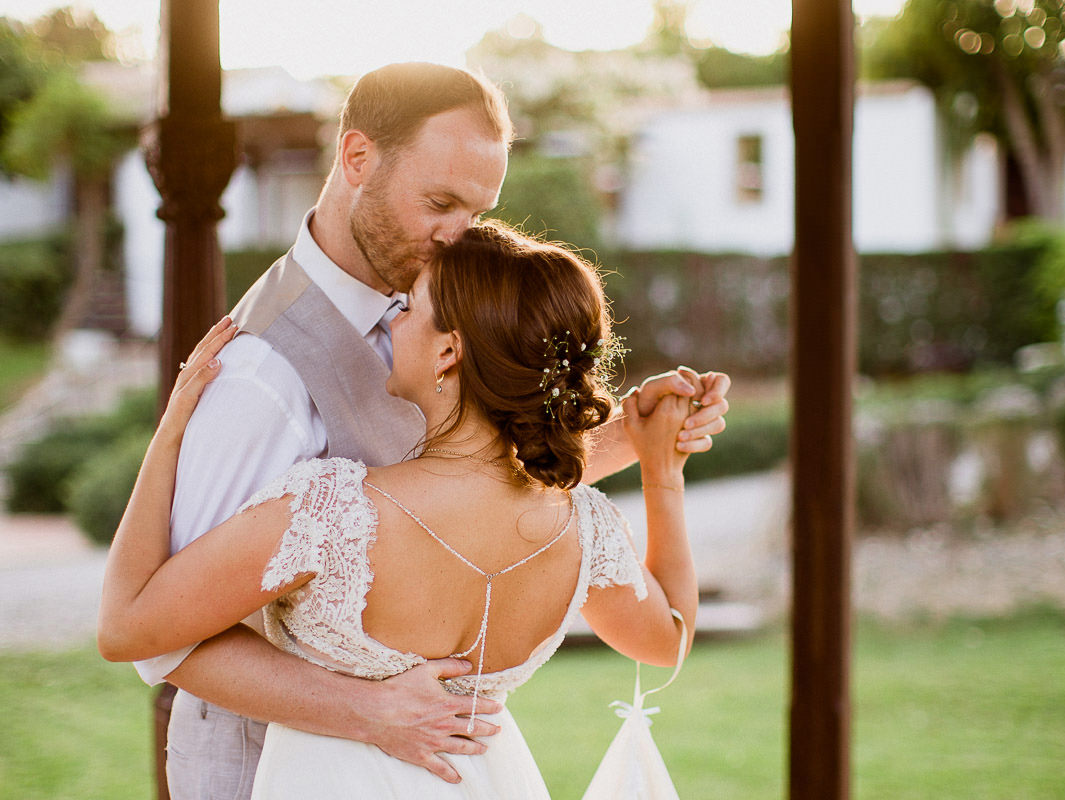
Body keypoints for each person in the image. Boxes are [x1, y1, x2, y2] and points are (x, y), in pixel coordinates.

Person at [133, 61, 730, 797]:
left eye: (475, 214)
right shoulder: (264, 372)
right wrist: (368, 711)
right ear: (356, 158)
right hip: (271, 762)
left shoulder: (436, 309)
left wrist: (637, 438)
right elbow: (163, 636)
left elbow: (476, 492)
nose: (457, 238)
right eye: (440, 202)